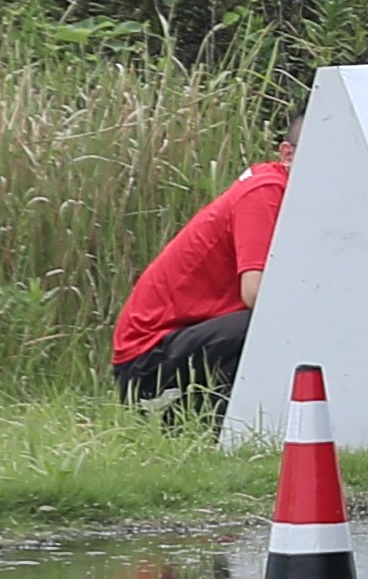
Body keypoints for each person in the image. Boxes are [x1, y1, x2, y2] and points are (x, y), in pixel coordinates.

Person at [109, 157, 286, 408]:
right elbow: (255, 294)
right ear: (288, 154)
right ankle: (193, 416)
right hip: (147, 360)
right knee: (272, 323)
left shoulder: (289, 196)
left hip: (195, 338)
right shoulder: (264, 192)